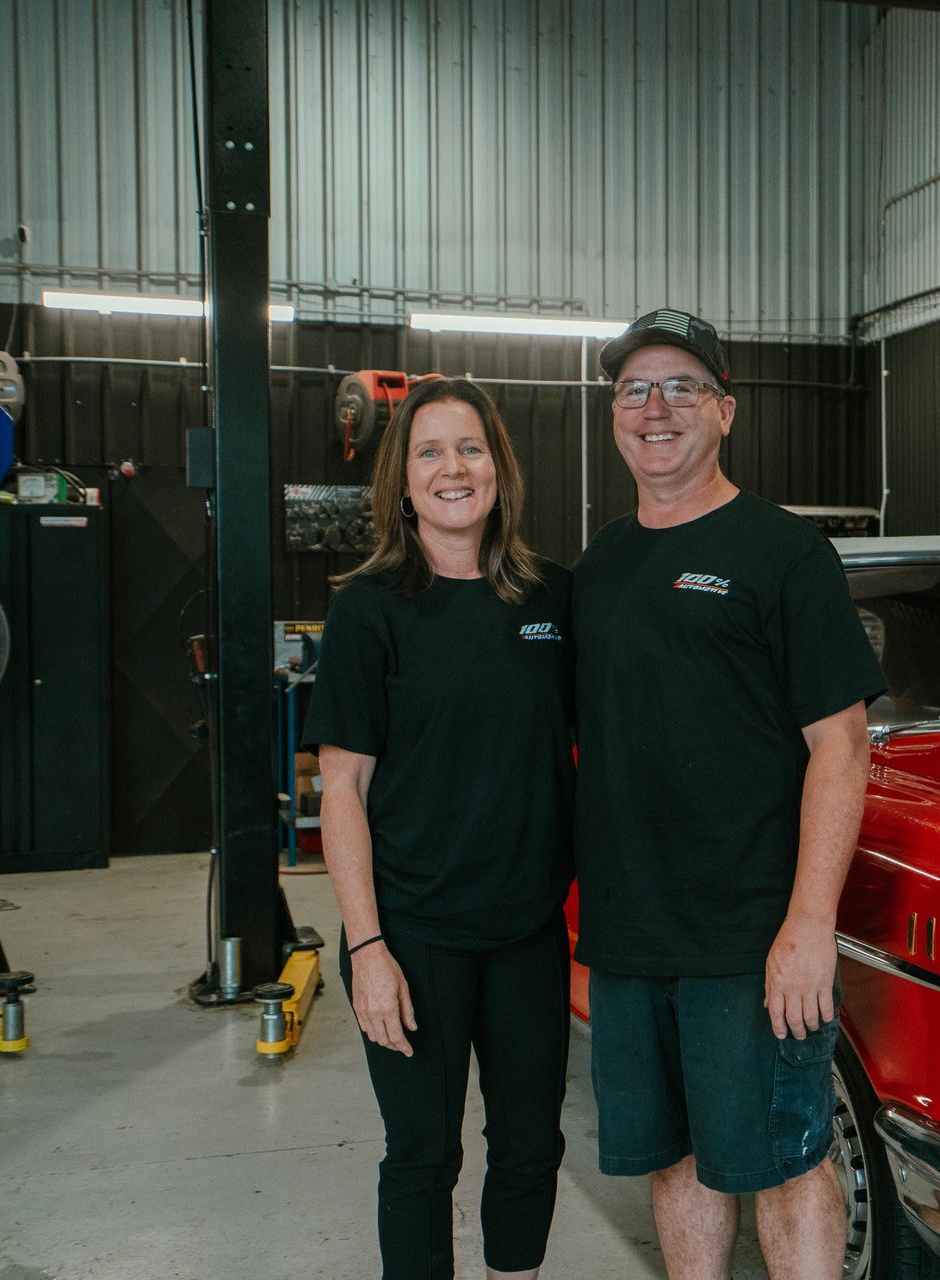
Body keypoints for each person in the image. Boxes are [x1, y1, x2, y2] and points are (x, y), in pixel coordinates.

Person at [572, 310, 886, 1279]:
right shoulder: (600, 565)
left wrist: (807, 923)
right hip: (630, 939)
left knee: (788, 1164)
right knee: (675, 1161)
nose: (655, 407)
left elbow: (841, 745)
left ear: (726, 411)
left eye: (680, 387)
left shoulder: (784, 553)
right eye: (634, 388)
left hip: (750, 936)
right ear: (615, 415)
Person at [302, 377, 573, 1280]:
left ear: (498, 468)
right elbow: (341, 787)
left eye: (470, 449)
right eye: (430, 452)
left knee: (531, 1146)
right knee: (423, 1156)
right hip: (411, 933)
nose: (452, 468)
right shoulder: (369, 607)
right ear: (404, 480)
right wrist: (367, 946)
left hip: (527, 930)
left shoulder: (550, 600)